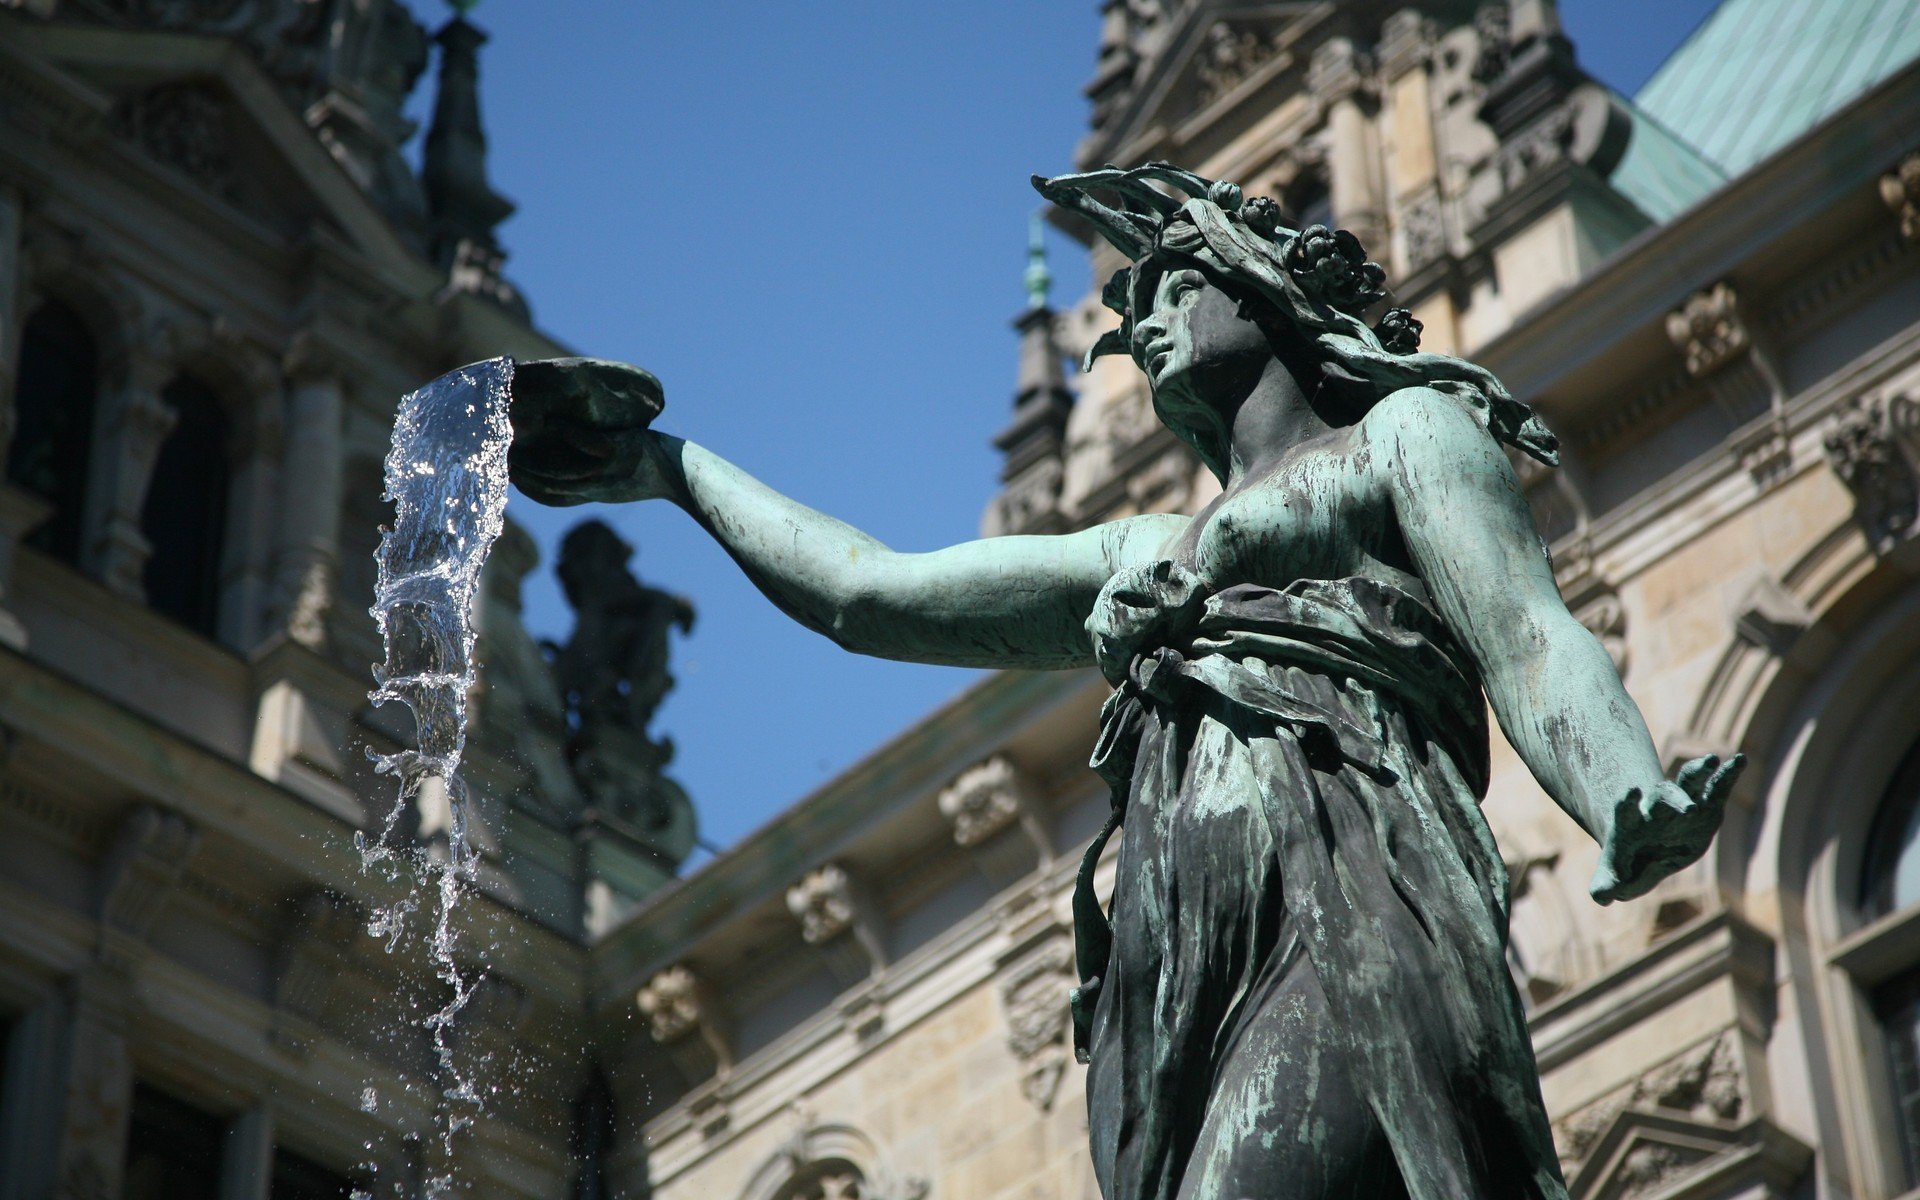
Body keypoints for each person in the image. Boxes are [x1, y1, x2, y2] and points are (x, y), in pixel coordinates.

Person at [506, 163, 1742, 1200]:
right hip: (1176, 955)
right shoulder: (1140, 546)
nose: (1144, 323)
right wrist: (673, 470)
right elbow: (868, 593)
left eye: (1174, 288)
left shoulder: (1407, 441)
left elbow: (1528, 635)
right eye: (1133, 307)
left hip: (1352, 887)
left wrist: (1620, 784)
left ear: (1261, 291)